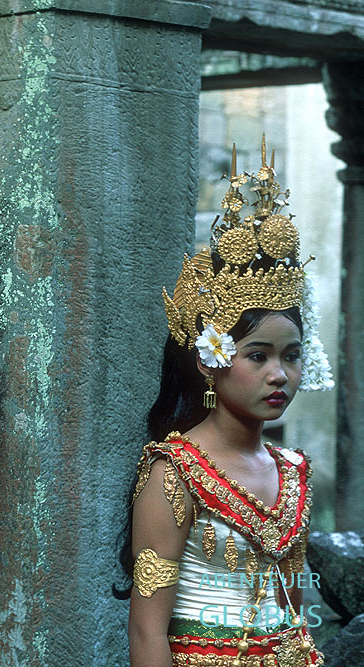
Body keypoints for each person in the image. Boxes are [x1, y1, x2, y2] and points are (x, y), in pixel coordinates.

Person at [120, 139, 332, 666]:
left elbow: (297, 613)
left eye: (291, 356)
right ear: (209, 360)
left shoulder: (295, 471)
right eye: (256, 356)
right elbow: (147, 635)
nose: (278, 374)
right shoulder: (174, 473)